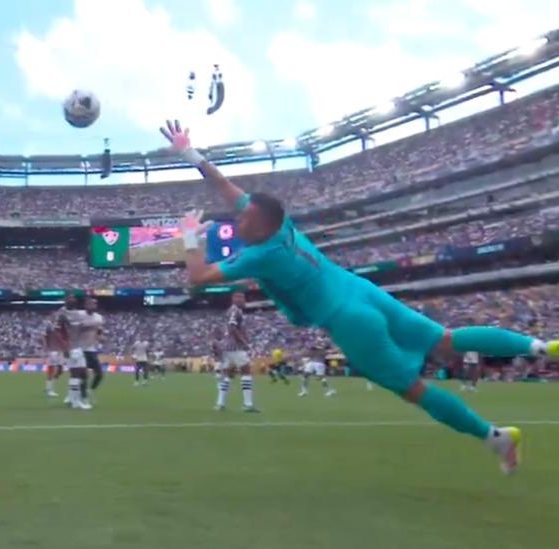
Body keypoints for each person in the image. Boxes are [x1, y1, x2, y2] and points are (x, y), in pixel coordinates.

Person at [161, 119, 558, 474]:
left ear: (262, 226)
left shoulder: (260, 254)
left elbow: (198, 276)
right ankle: (541, 346)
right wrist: (191, 154)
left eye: (243, 219)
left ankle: (496, 438)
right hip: (362, 290)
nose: (236, 220)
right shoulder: (279, 226)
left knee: (414, 390)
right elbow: (230, 190)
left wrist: (191, 235)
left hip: (348, 318)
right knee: (446, 340)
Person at [216, 292, 258, 411]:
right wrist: (244, 342)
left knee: (228, 375)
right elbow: (232, 327)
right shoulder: (236, 311)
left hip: (227, 348)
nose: (242, 300)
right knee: (246, 371)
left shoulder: (232, 311)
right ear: (233, 299)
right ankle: (248, 404)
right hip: (235, 347)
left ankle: (220, 403)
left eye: (243, 297)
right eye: (238, 297)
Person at [59, 292, 93, 410]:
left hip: (78, 347)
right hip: (71, 347)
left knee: (83, 373)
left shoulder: (77, 313)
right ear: (65, 300)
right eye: (70, 298)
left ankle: (71, 397)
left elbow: (80, 328)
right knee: (76, 373)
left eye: (73, 297)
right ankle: (75, 402)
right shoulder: (62, 313)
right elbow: (58, 332)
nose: (72, 299)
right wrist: (64, 348)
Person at [43, 315, 66, 397]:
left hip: (60, 350)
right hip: (52, 350)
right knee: (51, 370)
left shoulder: (63, 326)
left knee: (60, 370)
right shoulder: (49, 325)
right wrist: (46, 347)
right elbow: (44, 336)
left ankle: (49, 386)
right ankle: (49, 389)